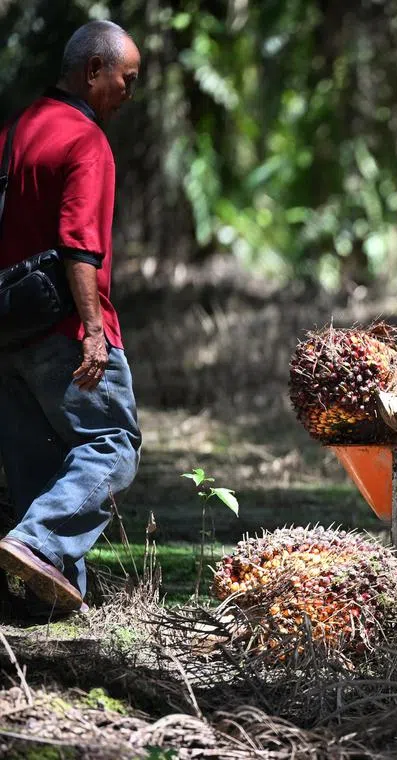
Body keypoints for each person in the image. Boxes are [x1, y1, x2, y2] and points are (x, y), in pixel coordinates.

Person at [0, 20, 143, 617]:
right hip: (63, 328)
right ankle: (37, 541)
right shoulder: (86, 141)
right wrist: (91, 331)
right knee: (113, 443)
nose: (127, 93)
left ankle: (49, 603)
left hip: (8, 331)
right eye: (125, 80)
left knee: (37, 465)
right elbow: (80, 245)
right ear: (94, 70)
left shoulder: (15, 132)